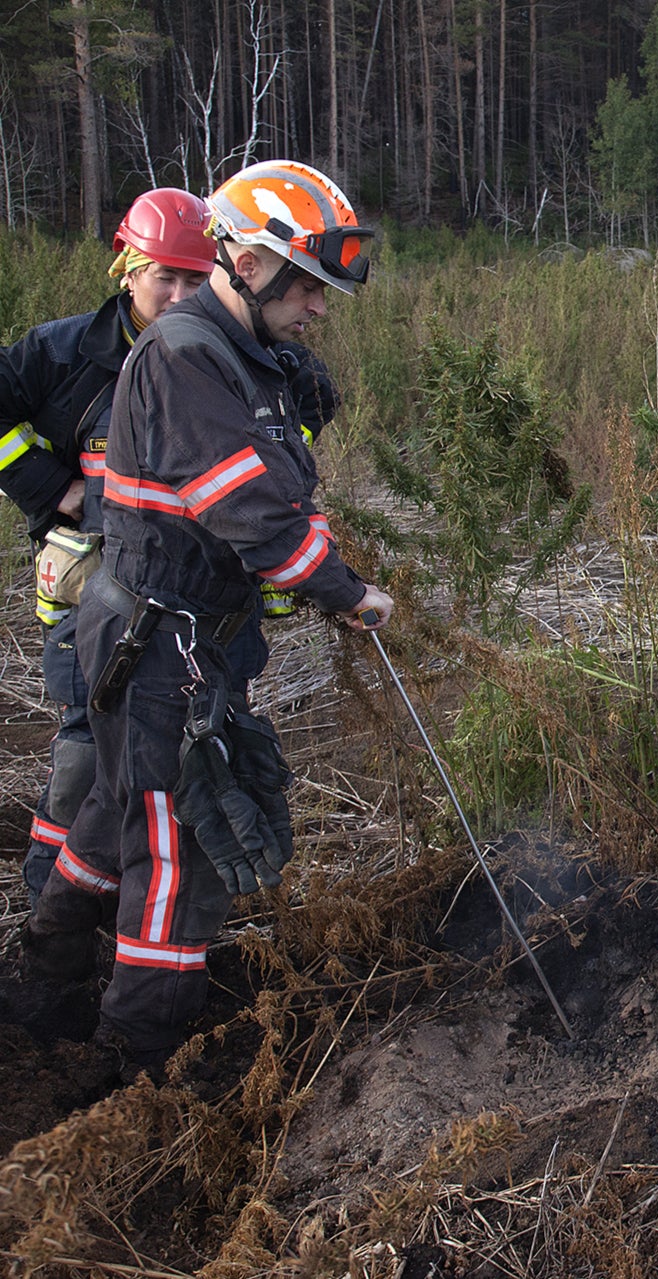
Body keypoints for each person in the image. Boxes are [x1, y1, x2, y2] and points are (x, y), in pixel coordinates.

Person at [24, 160, 394, 1074]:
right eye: (307, 287)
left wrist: (307, 554)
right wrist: (344, 591)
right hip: (160, 644)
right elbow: (246, 509)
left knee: (119, 809)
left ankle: (42, 979)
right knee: (178, 847)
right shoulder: (187, 354)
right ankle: (139, 1056)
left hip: (177, 635)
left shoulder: (246, 357)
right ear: (250, 264)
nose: (318, 308)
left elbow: (279, 487)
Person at [0, 189, 217, 903]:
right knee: (86, 742)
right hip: (88, 588)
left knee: (177, 745)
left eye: (197, 279)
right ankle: (51, 900)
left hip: (184, 592)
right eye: (166, 277)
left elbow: (302, 408)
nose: (180, 296)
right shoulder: (62, 353)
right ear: (128, 269)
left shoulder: (224, 356)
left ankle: (136, 895)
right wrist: (49, 486)